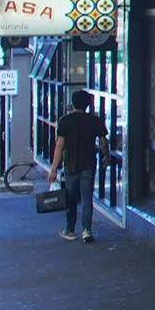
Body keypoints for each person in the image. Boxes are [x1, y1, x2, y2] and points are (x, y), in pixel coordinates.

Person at [50, 91, 108, 242]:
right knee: (87, 197)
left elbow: (59, 146)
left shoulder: (65, 121)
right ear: (87, 104)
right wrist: (106, 157)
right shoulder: (95, 121)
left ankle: (70, 229)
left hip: (70, 165)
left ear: (73, 103)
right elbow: (103, 142)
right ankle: (87, 230)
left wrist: (54, 169)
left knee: (71, 197)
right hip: (88, 164)